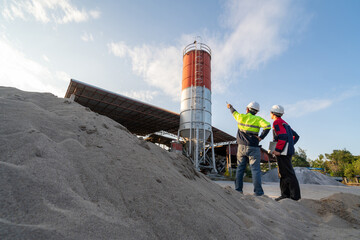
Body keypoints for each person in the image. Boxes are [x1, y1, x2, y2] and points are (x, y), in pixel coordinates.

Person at [227, 101, 271, 196]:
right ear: (256, 112)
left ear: (247, 109)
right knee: (255, 170)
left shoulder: (241, 117)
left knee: (240, 169)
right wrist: (261, 137)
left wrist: (230, 106)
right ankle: (258, 193)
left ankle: (238, 190)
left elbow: (234, 112)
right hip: (254, 147)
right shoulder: (258, 119)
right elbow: (268, 126)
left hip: (241, 147)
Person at [270, 105, 301, 201]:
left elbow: (282, 136)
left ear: (273, 113)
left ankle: (292, 196)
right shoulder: (285, 123)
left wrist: (278, 150)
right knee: (285, 173)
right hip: (287, 150)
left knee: (286, 173)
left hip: (283, 152)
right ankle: (287, 195)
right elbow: (296, 136)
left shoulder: (277, 122)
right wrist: (290, 145)